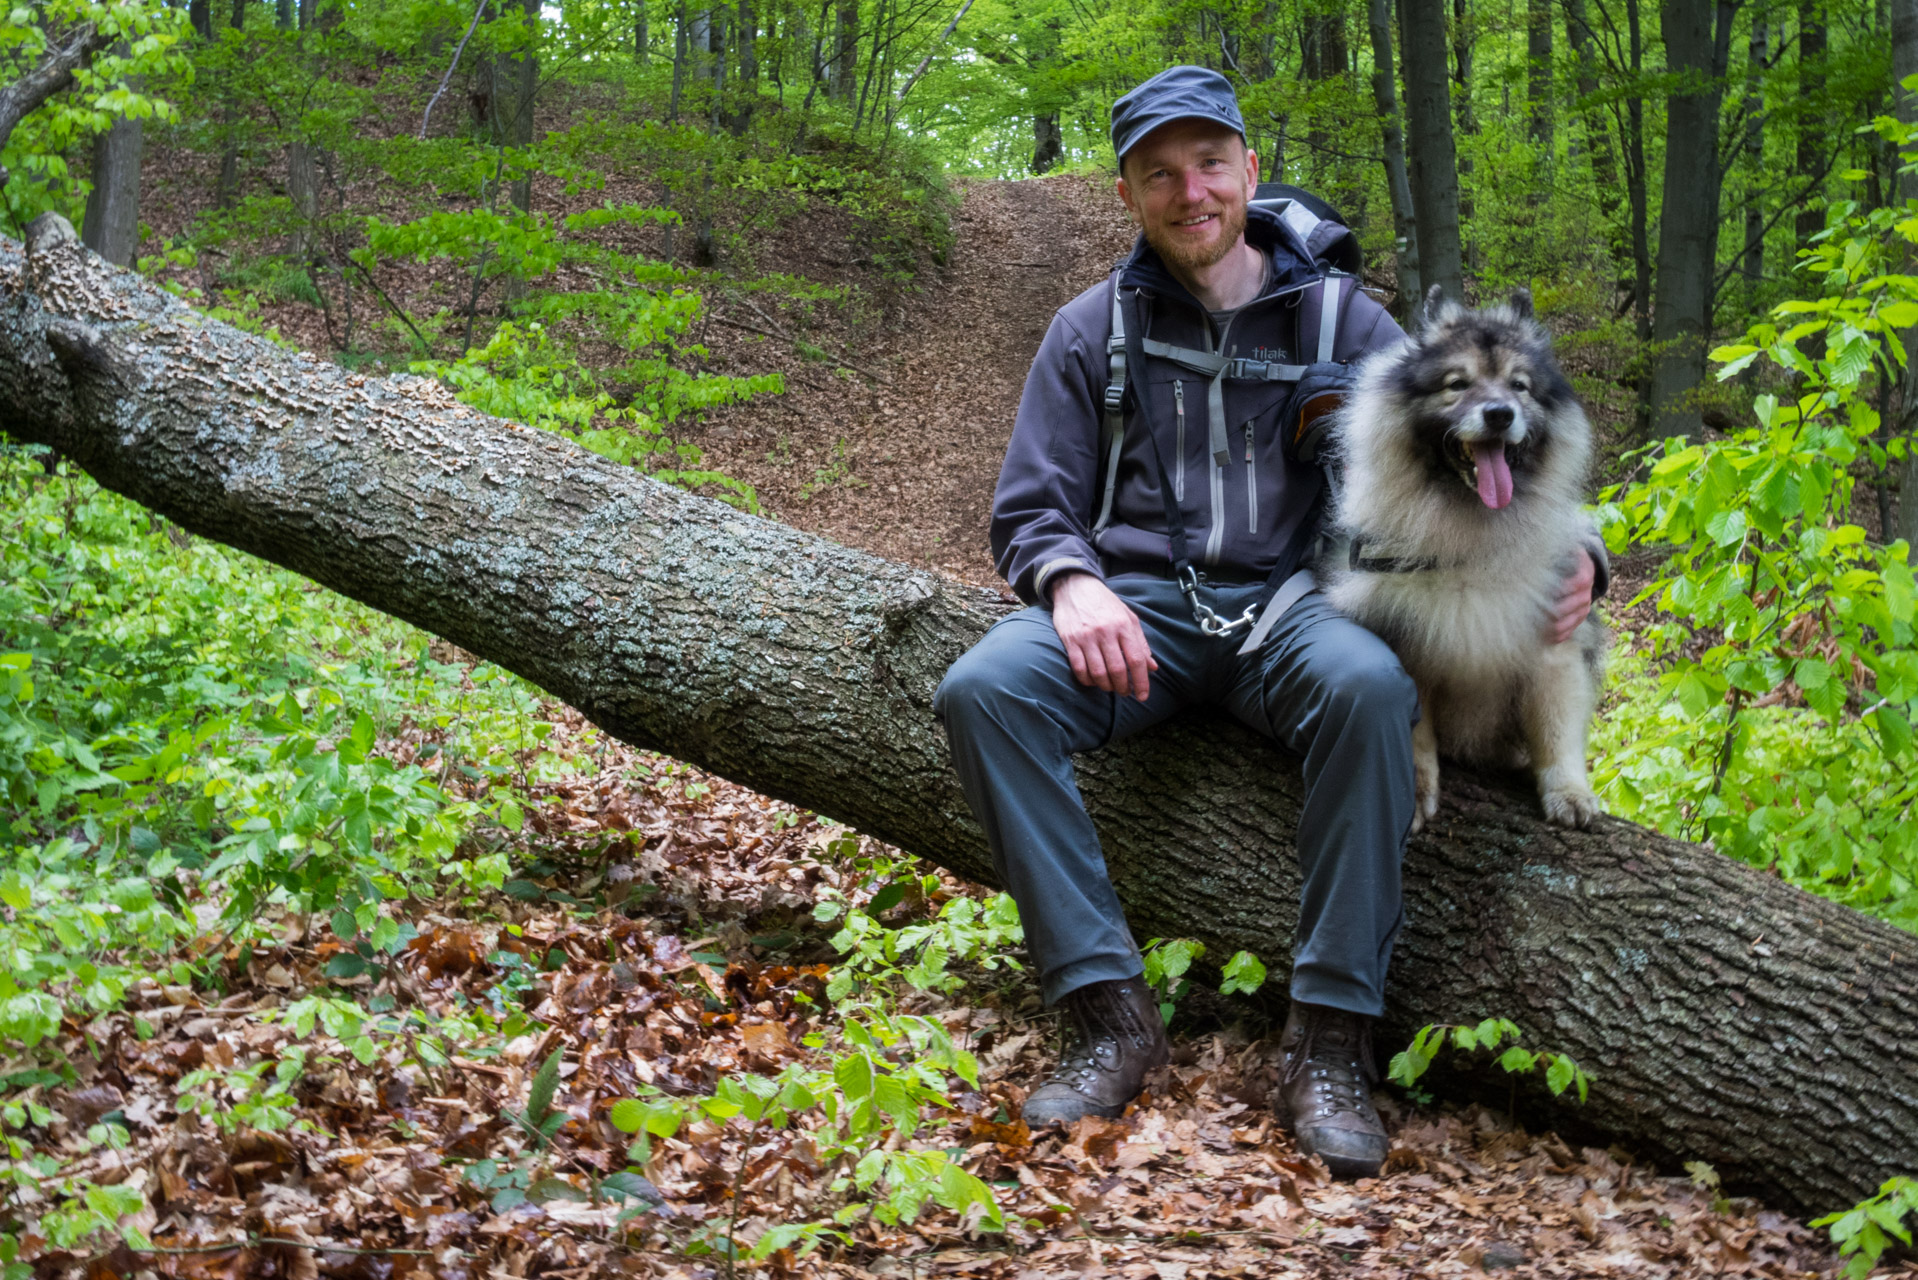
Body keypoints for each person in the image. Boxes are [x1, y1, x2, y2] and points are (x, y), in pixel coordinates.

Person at [932, 65, 1604, 1181]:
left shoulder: (1348, 319)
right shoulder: (1086, 329)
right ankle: (1106, 1012)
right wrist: (1070, 580)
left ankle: (1329, 1041)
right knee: (983, 692)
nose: (1188, 191)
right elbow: (1029, 505)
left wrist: (1585, 554)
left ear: (1247, 168)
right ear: (1128, 196)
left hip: (1297, 607)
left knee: (1371, 690)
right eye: (1159, 173)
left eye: (1208, 164)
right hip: (1137, 615)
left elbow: (1485, 449)